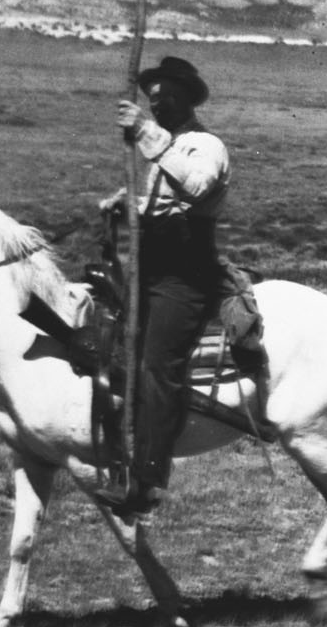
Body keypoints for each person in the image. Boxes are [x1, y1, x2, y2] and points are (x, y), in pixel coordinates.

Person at [103, 52, 248, 516]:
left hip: (186, 272)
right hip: (152, 265)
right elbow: (163, 204)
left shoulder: (205, 144)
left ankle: (147, 480)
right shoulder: (168, 143)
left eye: (167, 96)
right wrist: (129, 203)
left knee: (157, 365)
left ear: (188, 98)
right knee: (115, 349)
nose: (158, 103)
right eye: (154, 98)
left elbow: (198, 187)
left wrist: (145, 131)